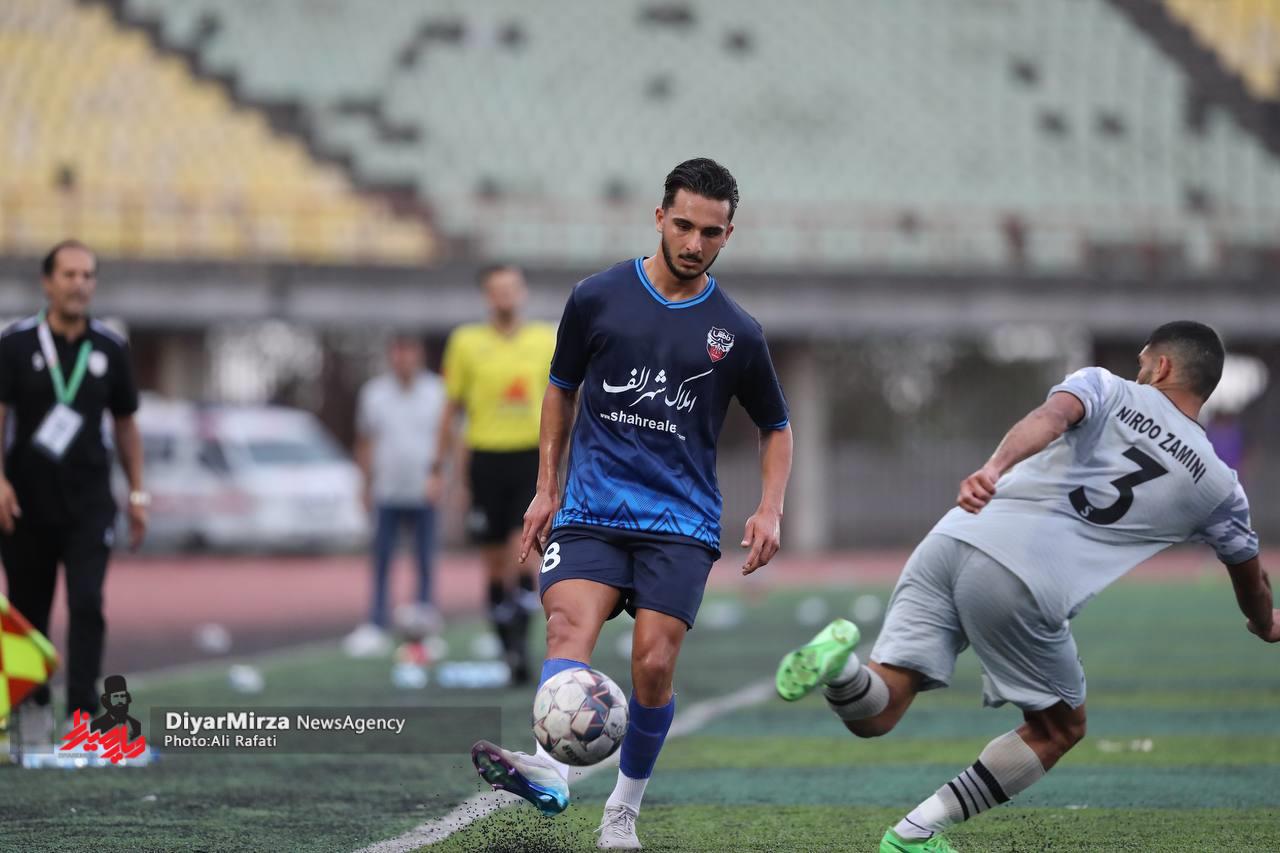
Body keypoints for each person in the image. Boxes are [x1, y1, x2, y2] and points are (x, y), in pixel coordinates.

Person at [773, 321, 1276, 853]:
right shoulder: (1220, 487)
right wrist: (1264, 621)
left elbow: (1050, 418)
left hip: (956, 535)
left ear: (1163, 366)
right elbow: (1249, 573)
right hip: (1022, 578)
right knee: (1059, 729)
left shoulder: (1103, 386)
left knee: (879, 711)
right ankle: (913, 834)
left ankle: (839, 668)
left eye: (1143, 362)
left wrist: (993, 468)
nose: (1138, 371)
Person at [469, 158, 794, 850]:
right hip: (592, 509)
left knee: (652, 663)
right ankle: (553, 770)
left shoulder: (738, 332)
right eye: (683, 225)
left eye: (711, 232)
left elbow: (777, 425)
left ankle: (622, 810)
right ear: (659, 217)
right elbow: (560, 390)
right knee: (566, 627)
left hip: (680, 521)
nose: (694, 243)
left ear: (728, 234)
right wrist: (547, 488)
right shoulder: (597, 297)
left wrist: (770, 507)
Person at [0, 240, 147, 751]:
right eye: (69, 274)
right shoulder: (15, 344)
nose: (79, 284)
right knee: (28, 611)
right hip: (26, 502)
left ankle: (82, 716)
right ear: (47, 282)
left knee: (87, 603)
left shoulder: (110, 348)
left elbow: (126, 425)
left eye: (87, 275)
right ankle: (33, 708)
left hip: (89, 502)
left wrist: (138, 493)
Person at [430, 265, 556, 684]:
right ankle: (506, 646)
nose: (505, 296)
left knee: (524, 553)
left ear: (523, 292)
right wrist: (439, 469)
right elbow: (451, 409)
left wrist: (560, 461)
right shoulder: (466, 342)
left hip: (529, 458)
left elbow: (561, 401)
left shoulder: (544, 339)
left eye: (511, 289)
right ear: (487, 296)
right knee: (493, 564)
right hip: (484, 459)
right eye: (497, 290)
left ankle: (521, 645)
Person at [346, 334, 446, 657]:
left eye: (408, 352)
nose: (403, 359)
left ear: (418, 354)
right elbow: (365, 441)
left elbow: (448, 437)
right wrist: (364, 484)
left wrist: (445, 478)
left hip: (424, 490)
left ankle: (425, 628)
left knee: (425, 559)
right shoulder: (374, 394)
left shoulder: (437, 392)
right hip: (387, 490)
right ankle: (377, 623)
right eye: (398, 352)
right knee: (381, 559)